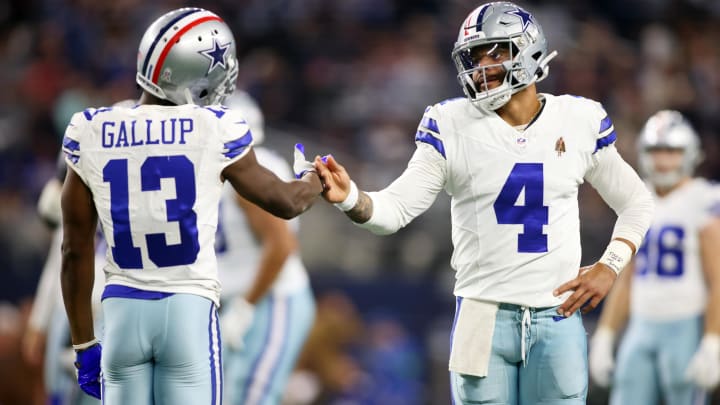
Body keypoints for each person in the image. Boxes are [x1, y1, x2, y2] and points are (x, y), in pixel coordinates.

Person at [313, 2, 654, 404]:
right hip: (482, 314)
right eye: (475, 57)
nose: (482, 66)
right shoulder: (449, 123)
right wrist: (351, 198)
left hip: (556, 314)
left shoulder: (577, 118)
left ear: (527, 51)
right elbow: (396, 210)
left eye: (494, 53)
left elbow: (636, 203)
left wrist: (609, 266)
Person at [59, 7, 323, 405]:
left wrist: (83, 343)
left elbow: (74, 249)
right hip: (188, 310)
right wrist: (317, 179)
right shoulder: (214, 127)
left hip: (122, 310)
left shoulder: (91, 128)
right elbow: (285, 202)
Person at [589, 110, 720, 404]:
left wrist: (714, 340)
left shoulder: (704, 199)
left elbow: (718, 279)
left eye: (672, 152)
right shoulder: (639, 199)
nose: (663, 160)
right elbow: (627, 276)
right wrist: (606, 333)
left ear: (690, 154)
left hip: (686, 325)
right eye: (656, 151)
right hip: (641, 324)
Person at [216, 90, 316, 405]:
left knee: (250, 397)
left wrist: (245, 306)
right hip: (241, 300)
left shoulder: (247, 171)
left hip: (271, 300)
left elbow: (282, 245)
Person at [24, 154, 105, 405]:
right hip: (75, 303)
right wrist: (40, 319)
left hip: (105, 305)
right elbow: (60, 252)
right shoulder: (83, 138)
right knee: (60, 394)